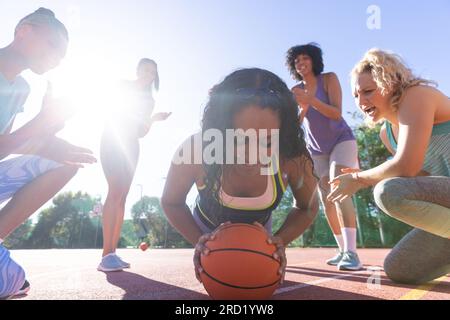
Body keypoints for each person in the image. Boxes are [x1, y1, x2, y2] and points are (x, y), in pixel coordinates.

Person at [161, 68, 319, 283]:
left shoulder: (293, 156)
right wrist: (200, 240)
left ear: (284, 134)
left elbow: (307, 207)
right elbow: (172, 202)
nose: (251, 154)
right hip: (206, 227)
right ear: (219, 129)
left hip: (261, 231)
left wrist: (279, 241)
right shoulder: (196, 150)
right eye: (238, 139)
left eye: (267, 141)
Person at [328, 48, 450, 284]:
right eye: (356, 95)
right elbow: (419, 177)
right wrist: (368, 175)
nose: (361, 101)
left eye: (368, 91)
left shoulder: (417, 95)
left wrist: (359, 178)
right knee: (399, 268)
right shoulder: (387, 134)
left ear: (390, 82)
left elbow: (405, 167)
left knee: (388, 191)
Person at [0, 8, 96, 299]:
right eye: (53, 46)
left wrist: (47, 137)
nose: (56, 59)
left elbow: (7, 145)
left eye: (61, 56)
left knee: (63, 163)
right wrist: (41, 124)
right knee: (14, 283)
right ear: (23, 31)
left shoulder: (21, 88)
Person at [286, 43, 362, 270]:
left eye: (305, 58)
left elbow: (336, 113)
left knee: (339, 187)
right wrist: (301, 108)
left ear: (314, 60)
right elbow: (295, 124)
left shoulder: (329, 79)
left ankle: (352, 253)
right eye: (297, 61)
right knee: (327, 199)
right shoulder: (295, 90)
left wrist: (311, 101)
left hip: (341, 140)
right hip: (316, 149)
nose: (301, 63)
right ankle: (341, 251)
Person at [98, 58, 171, 272]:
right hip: (113, 140)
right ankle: (105, 255)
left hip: (131, 145)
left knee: (123, 196)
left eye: (153, 71)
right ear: (138, 70)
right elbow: (113, 111)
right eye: (146, 70)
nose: (150, 74)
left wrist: (153, 119)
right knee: (115, 190)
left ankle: (112, 252)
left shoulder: (150, 101)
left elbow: (141, 131)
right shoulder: (123, 86)